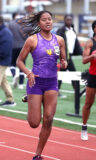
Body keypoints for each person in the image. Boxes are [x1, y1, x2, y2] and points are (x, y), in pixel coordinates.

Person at [16, 11, 67, 160]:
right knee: (34, 123)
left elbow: (64, 60)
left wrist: (64, 63)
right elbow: (19, 61)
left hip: (51, 82)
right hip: (36, 82)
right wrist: (28, 73)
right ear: (39, 23)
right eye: (44, 20)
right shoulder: (32, 40)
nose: (48, 22)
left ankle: (38, 154)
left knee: (49, 118)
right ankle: (31, 101)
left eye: (50, 19)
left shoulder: (60, 40)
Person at [56, 14, 82, 97]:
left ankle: (75, 90)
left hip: (69, 56)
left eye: (70, 20)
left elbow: (76, 43)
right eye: (67, 20)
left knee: (71, 73)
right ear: (64, 20)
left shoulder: (72, 30)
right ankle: (57, 91)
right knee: (68, 73)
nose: (69, 21)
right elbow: (56, 43)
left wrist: (81, 52)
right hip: (63, 56)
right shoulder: (61, 30)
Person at [81, 20, 96, 141]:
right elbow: (84, 60)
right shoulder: (90, 43)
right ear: (94, 29)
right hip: (93, 76)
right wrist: (92, 56)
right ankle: (84, 127)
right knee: (88, 103)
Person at [8, 12, 28, 89]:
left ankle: (14, 75)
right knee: (22, 65)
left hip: (13, 46)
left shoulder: (10, 24)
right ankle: (21, 84)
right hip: (23, 47)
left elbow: (8, 35)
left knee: (12, 63)